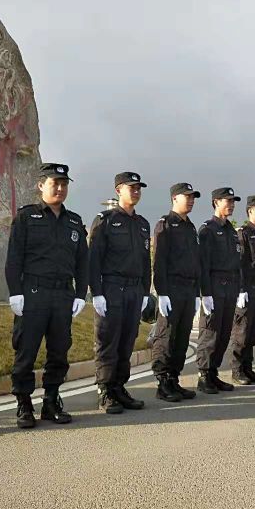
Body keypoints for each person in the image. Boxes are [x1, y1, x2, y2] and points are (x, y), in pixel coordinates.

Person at [5, 163, 89, 428]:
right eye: (55, 183)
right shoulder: (27, 218)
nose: (61, 188)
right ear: (41, 185)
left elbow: (82, 263)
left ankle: (51, 401)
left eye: (64, 184)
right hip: (33, 293)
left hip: (63, 294)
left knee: (59, 351)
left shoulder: (74, 221)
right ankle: (23, 404)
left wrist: (80, 294)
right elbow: (14, 259)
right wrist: (15, 293)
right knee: (26, 351)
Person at [88, 172, 151, 413]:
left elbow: (146, 262)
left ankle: (119, 387)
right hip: (112, 288)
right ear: (118, 190)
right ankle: (105, 390)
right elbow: (94, 259)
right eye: (131, 187)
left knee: (127, 341)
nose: (135, 192)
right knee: (107, 341)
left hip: (134, 289)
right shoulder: (105, 220)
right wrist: (97, 292)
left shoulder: (142, 223)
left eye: (138, 188)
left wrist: (146, 291)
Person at [151, 183, 201, 402]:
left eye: (193, 197)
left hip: (189, 290)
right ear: (174, 198)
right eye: (186, 197)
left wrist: (198, 293)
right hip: (171, 289)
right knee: (167, 336)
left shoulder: (190, 227)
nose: (190, 200)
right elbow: (159, 261)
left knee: (182, 336)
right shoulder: (165, 225)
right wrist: (161, 292)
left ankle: (174, 379)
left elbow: (196, 262)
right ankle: (162, 383)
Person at [196, 187, 246, 394]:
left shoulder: (231, 231)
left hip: (231, 285)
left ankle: (213, 372)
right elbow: (203, 264)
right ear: (216, 202)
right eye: (228, 201)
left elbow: (237, 263)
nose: (232, 204)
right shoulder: (207, 230)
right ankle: (204, 374)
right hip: (214, 284)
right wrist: (205, 292)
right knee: (210, 332)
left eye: (234, 201)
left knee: (225, 332)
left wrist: (240, 288)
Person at [229, 195, 255, 385]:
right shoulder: (243, 233)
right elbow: (240, 263)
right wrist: (240, 289)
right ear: (250, 211)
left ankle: (248, 368)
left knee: (253, 331)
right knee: (242, 332)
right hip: (246, 289)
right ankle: (237, 370)